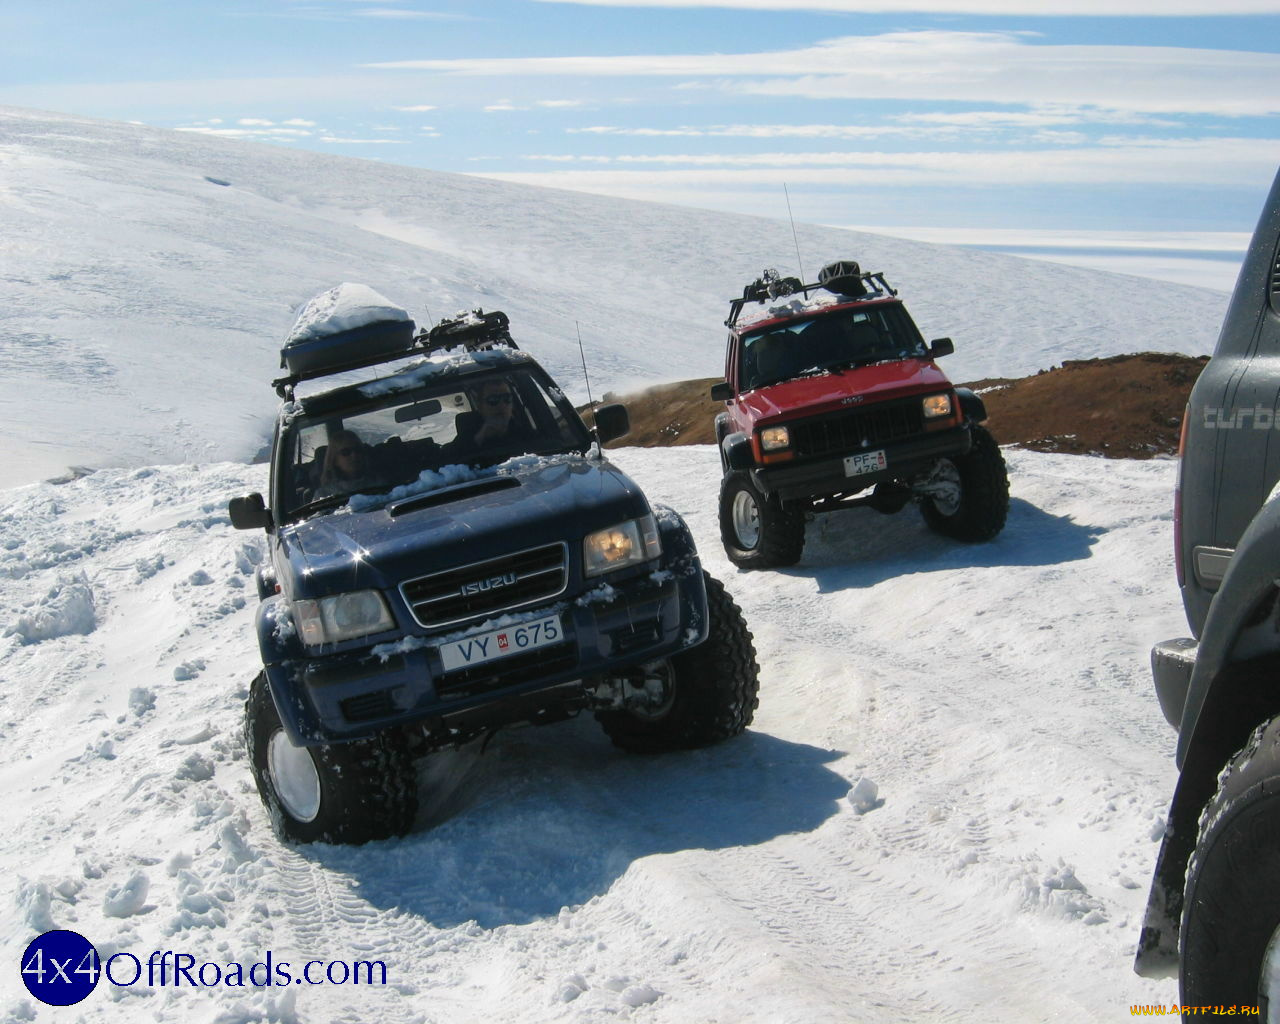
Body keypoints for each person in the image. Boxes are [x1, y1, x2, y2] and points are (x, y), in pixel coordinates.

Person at [443, 378, 534, 463]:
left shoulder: (528, 436)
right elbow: (449, 464)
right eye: (493, 400)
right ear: (480, 406)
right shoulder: (464, 441)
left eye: (507, 398)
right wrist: (478, 439)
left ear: (512, 404)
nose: (502, 405)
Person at [315, 430, 386, 497]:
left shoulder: (379, 484)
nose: (354, 455)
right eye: (346, 452)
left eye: (358, 450)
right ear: (334, 460)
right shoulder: (323, 495)